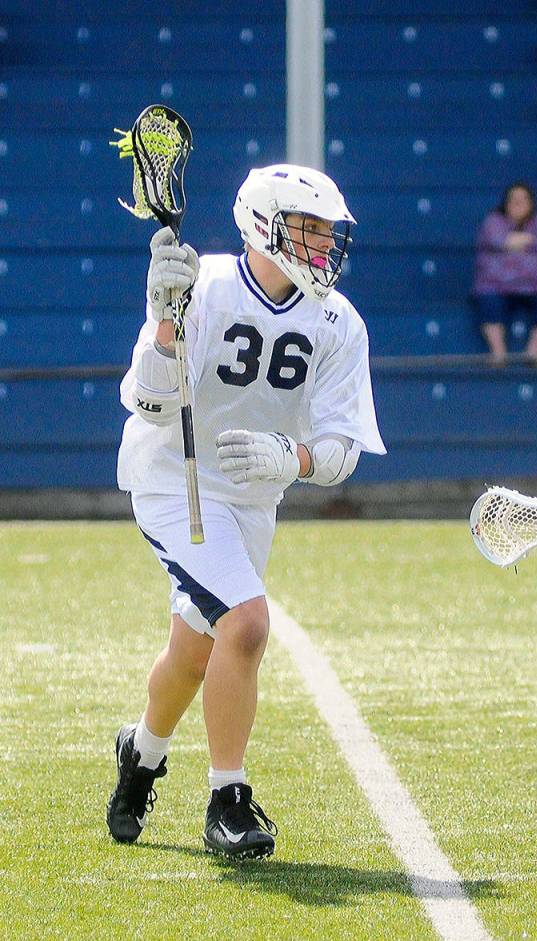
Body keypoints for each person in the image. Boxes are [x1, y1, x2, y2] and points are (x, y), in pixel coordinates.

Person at [106, 164, 386, 860]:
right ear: (266, 225)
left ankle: (140, 754)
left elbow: (344, 449)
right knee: (248, 623)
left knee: (196, 648)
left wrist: (292, 458)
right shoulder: (205, 286)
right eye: (310, 228)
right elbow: (149, 401)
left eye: (329, 230)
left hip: (253, 496)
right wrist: (164, 322)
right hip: (178, 478)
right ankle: (227, 801)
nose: (325, 243)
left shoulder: (338, 323)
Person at [472, 182, 537, 368]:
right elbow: (496, 241)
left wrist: (515, 244)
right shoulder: (493, 221)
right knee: (487, 296)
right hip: (497, 283)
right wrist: (526, 242)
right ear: (505, 202)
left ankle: (534, 350)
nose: (518, 203)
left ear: (532, 202)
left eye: (523, 199)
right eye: (514, 199)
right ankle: (498, 353)